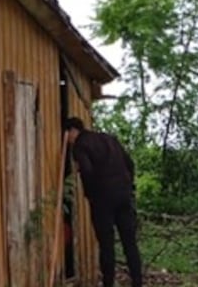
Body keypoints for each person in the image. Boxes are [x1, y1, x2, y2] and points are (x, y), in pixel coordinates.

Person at [63, 117, 143, 287]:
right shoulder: (109, 139)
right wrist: (129, 187)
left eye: (67, 135)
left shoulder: (79, 145)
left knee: (106, 245)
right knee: (129, 242)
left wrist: (91, 195)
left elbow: (87, 170)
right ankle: (137, 282)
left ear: (72, 131)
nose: (68, 140)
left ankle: (108, 283)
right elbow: (130, 163)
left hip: (102, 199)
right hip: (123, 195)